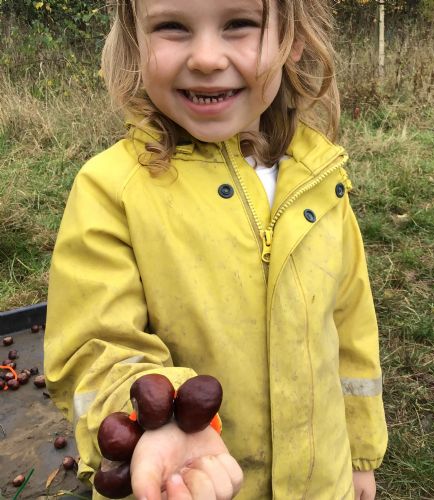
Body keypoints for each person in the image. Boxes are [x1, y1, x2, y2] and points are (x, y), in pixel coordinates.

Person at [44, 0, 388, 498]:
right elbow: (94, 349)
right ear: (135, 41)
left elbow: (350, 325)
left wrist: (358, 454)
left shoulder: (318, 176)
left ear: (293, 39)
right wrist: (158, 424)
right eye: (172, 26)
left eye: (240, 24)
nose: (206, 58)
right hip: (179, 481)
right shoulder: (111, 191)